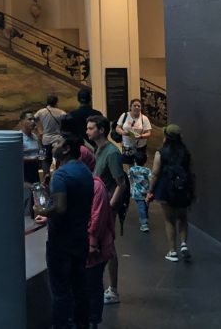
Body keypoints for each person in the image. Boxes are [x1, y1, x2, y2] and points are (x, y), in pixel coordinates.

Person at [35, 134, 93, 329]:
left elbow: (60, 207)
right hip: (80, 237)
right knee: (79, 286)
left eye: (57, 142)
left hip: (61, 242)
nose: (53, 145)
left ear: (67, 149)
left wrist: (42, 210)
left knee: (60, 291)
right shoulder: (84, 170)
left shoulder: (61, 174)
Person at [87, 115, 127, 306]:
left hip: (106, 207)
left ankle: (113, 289)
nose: (87, 131)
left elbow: (121, 183)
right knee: (105, 246)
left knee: (109, 247)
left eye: (91, 128)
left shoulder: (111, 153)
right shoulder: (100, 149)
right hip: (101, 205)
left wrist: (110, 205)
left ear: (101, 130)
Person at [78, 146, 115, 329]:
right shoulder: (82, 183)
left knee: (92, 285)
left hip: (95, 248)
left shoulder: (95, 185)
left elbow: (97, 216)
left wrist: (92, 241)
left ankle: (93, 321)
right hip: (86, 246)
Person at [148, 123, 195, 262]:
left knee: (169, 219)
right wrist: (193, 191)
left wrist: (150, 190)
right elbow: (191, 173)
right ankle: (184, 244)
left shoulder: (161, 153)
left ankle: (172, 251)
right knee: (183, 217)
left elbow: (155, 173)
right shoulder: (186, 152)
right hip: (183, 188)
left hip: (166, 189)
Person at [115, 98, 151, 166]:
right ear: (130, 107)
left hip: (140, 146)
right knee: (129, 164)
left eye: (139, 106)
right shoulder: (124, 115)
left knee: (139, 166)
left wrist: (141, 136)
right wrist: (122, 132)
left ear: (141, 108)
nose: (137, 107)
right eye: (134, 105)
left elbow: (149, 133)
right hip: (127, 146)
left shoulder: (144, 118)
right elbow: (117, 128)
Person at [35, 94, 66, 170]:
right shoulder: (62, 113)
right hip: (58, 139)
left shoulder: (41, 112)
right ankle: (58, 173)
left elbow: (34, 118)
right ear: (56, 102)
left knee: (44, 159)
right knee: (60, 159)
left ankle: (46, 175)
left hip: (45, 139)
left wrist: (40, 130)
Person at [128, 158, 153, 232]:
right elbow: (151, 179)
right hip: (146, 191)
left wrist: (131, 189)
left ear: (135, 161)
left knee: (141, 207)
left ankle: (144, 225)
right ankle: (144, 217)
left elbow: (130, 179)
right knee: (145, 205)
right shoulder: (147, 170)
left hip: (137, 192)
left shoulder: (132, 169)